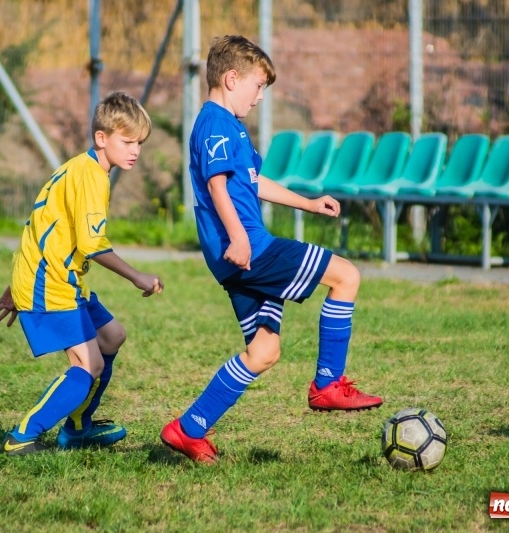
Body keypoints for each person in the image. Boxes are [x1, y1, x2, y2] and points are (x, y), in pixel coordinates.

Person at [160, 35, 382, 464]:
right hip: (249, 249)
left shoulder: (232, 128)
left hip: (236, 258)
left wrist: (309, 202)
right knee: (346, 276)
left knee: (264, 351)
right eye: (257, 86)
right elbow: (217, 185)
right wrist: (240, 236)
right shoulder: (214, 124)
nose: (260, 97)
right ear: (230, 79)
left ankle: (188, 428)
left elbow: (252, 182)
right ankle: (327, 384)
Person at [0, 90, 164, 456]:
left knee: (112, 336)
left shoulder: (80, 168)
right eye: (128, 141)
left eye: (140, 143)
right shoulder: (91, 177)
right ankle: (21, 437)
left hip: (57, 279)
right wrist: (137, 276)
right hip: (50, 285)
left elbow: (42, 227)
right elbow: (92, 244)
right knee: (88, 364)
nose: (135, 150)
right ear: (102, 138)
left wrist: (14, 286)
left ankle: (78, 429)